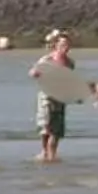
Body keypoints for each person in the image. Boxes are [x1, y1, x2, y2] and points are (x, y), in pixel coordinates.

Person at [31, 33, 75, 163]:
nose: (65, 47)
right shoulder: (47, 59)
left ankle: (52, 154)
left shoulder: (70, 63)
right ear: (55, 45)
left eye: (67, 45)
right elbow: (33, 73)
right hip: (47, 96)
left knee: (57, 129)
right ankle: (45, 152)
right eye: (62, 44)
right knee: (46, 127)